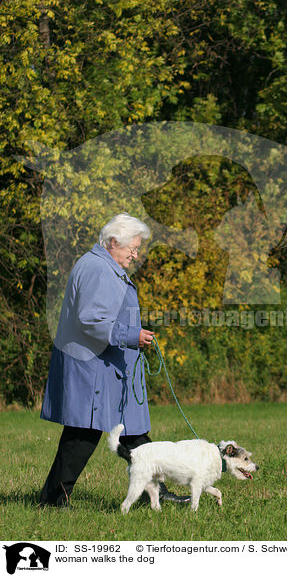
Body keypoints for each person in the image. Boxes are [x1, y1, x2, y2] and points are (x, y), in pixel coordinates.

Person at [39, 212, 189, 507]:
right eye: (132, 248)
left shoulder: (99, 264)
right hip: (94, 366)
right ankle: (53, 499)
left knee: (132, 433)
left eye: (137, 249)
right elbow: (92, 320)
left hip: (105, 366)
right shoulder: (99, 269)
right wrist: (132, 336)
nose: (135, 255)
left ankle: (153, 494)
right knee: (83, 434)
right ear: (112, 242)